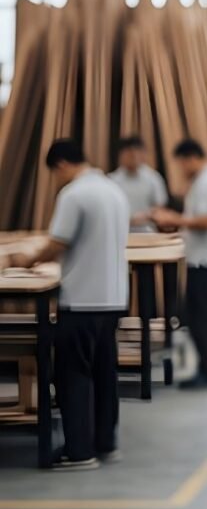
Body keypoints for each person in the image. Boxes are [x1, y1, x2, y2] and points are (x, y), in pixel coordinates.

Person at [9, 140, 129, 470]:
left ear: (61, 164)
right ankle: (105, 443)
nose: (55, 180)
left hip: (82, 299)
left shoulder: (74, 194)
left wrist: (27, 259)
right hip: (113, 298)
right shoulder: (113, 190)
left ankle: (79, 452)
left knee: (73, 374)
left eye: (54, 173)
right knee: (105, 372)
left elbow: (58, 243)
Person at [151, 140, 207, 390]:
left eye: (180, 163)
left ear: (190, 158)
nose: (180, 168)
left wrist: (174, 218)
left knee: (202, 318)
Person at [109, 136, 169, 232]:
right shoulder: (112, 180)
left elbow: (160, 206)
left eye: (138, 153)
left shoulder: (153, 178)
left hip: (147, 231)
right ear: (121, 155)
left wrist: (147, 216)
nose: (134, 157)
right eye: (130, 154)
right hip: (119, 231)